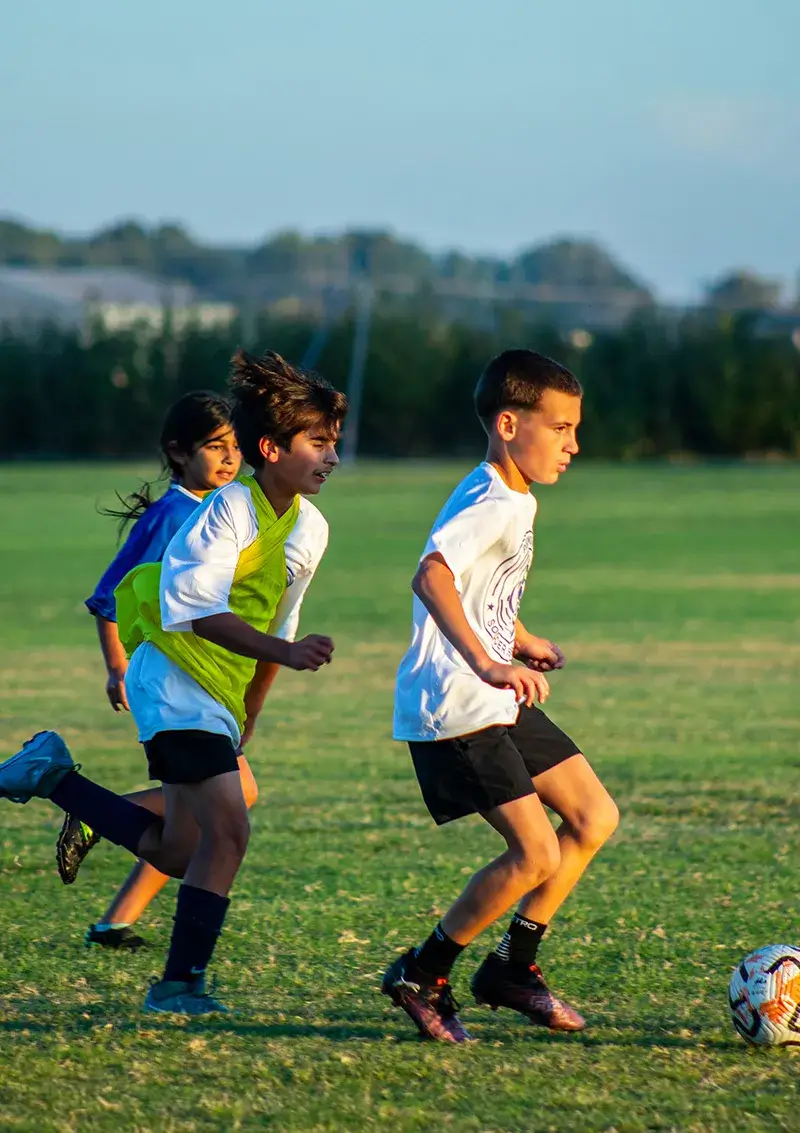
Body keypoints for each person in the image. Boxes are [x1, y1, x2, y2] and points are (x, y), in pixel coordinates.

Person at [0, 350, 347, 1016]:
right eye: (318, 443)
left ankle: (54, 776)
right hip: (174, 678)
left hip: (217, 692)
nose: (332, 457)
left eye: (334, 444)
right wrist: (285, 650)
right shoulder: (229, 512)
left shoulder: (310, 527)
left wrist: (249, 716)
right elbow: (195, 610)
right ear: (271, 448)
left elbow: (278, 629)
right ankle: (179, 984)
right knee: (230, 831)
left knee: (175, 847)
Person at [383, 349, 619, 1043]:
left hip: (492, 693)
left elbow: (479, 585)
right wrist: (488, 661)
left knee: (593, 816)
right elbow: (432, 577)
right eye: (562, 427)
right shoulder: (488, 499)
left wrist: (517, 637)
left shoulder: (517, 496)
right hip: (454, 704)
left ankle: (513, 967)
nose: (574, 443)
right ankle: (421, 972)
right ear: (510, 423)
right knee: (535, 852)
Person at [56, 390, 246, 952]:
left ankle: (115, 920)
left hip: (205, 679)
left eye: (235, 446)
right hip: (172, 680)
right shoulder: (173, 515)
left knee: (195, 830)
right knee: (229, 808)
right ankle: (94, 814)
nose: (230, 458)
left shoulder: (221, 508)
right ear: (178, 453)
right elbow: (110, 595)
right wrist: (116, 667)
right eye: (215, 447)